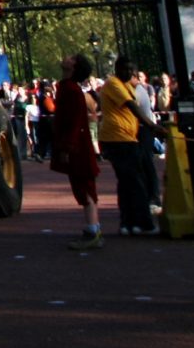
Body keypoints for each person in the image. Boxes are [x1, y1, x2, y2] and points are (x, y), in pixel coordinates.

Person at [97, 58, 159, 235]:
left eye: (132, 69)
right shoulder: (113, 83)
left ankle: (129, 222)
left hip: (126, 137)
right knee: (136, 180)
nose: (130, 73)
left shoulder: (126, 86)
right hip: (118, 138)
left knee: (126, 182)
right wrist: (151, 125)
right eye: (126, 69)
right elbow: (131, 106)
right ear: (117, 69)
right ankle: (144, 222)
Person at [53, 54, 104, 248]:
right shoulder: (67, 88)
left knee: (85, 187)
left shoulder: (72, 91)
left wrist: (67, 147)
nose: (66, 58)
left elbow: (75, 122)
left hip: (77, 147)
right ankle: (93, 227)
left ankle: (93, 230)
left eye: (72, 59)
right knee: (82, 187)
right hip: (76, 145)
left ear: (74, 67)